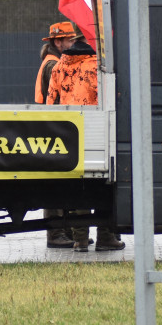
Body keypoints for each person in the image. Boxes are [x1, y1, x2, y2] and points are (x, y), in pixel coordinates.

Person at [47, 31, 125, 253]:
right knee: (102, 189)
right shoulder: (98, 67)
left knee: (78, 189)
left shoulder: (59, 66)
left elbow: (50, 102)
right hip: (96, 134)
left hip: (67, 135)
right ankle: (106, 238)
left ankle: (80, 240)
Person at [37, 21, 79, 249]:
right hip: (52, 129)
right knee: (54, 183)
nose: (73, 43)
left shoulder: (53, 62)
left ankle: (65, 231)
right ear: (58, 42)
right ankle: (55, 234)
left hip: (52, 127)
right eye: (69, 40)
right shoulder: (53, 66)